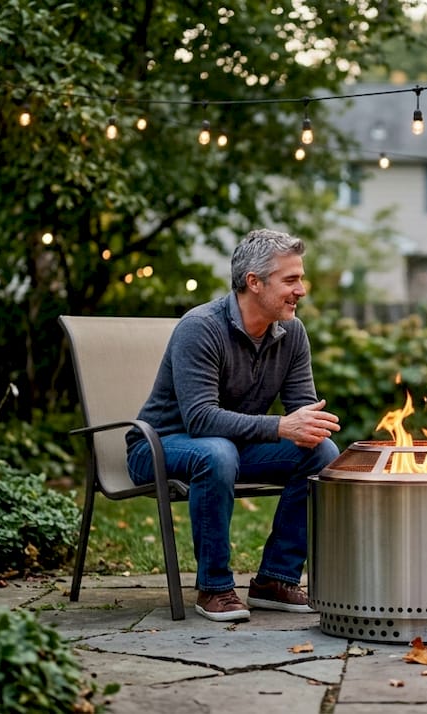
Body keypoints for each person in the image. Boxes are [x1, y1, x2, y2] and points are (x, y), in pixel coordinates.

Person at [126, 228, 341, 622]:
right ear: (253, 282)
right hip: (159, 446)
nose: (302, 290)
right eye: (290, 280)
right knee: (216, 452)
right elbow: (201, 418)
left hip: (229, 446)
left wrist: (311, 425)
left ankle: (276, 578)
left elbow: (302, 411)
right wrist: (281, 426)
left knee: (323, 453)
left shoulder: (292, 334)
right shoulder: (201, 327)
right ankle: (214, 587)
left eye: (301, 278)